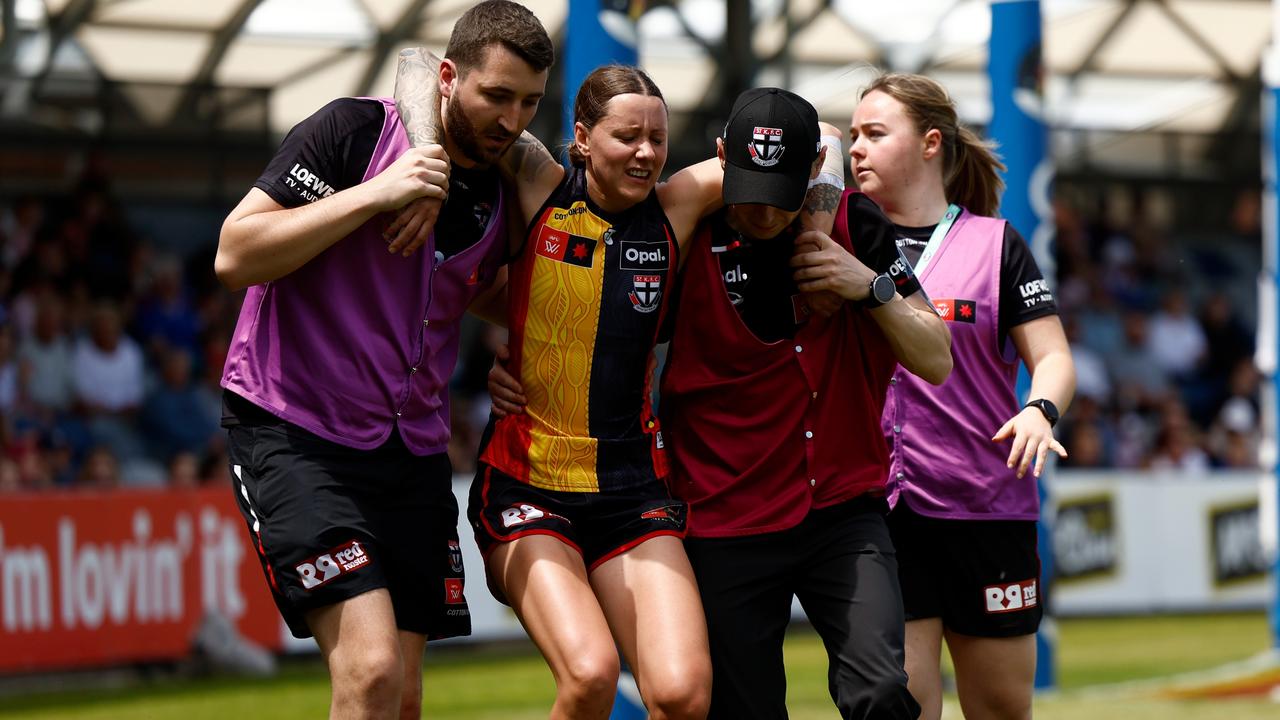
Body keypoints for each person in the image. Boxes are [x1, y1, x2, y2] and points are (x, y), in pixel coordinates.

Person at [397, 55, 842, 717]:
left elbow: (825, 140)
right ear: (580, 138)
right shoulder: (535, 181)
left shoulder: (680, 205)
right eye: (626, 136)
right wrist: (427, 166)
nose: (645, 152)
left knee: (684, 695)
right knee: (590, 675)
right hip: (525, 484)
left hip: (632, 491)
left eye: (657, 139)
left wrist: (818, 232)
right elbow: (418, 66)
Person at [214, 3, 554, 718]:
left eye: (528, 102)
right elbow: (235, 253)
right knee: (369, 672)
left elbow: (479, 292)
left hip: (413, 450)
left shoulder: (502, 185)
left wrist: (519, 347)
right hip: (294, 428)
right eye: (496, 95)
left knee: (399, 694)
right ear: (451, 77)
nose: (511, 118)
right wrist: (377, 195)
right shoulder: (354, 132)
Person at [652, 88, 949, 720]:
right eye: (748, 189)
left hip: (843, 512)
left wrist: (868, 289)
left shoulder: (856, 225)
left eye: (779, 193)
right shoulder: (686, 230)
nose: (762, 213)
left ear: (814, 170)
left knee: (881, 693)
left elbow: (937, 357)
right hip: (725, 518)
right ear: (722, 157)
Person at [852, 72, 1076, 720]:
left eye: (874, 133)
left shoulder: (996, 244)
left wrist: (1040, 409)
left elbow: (1055, 358)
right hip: (880, 513)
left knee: (1002, 709)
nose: (856, 149)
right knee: (901, 704)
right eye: (853, 136)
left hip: (988, 510)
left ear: (929, 144)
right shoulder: (838, 235)